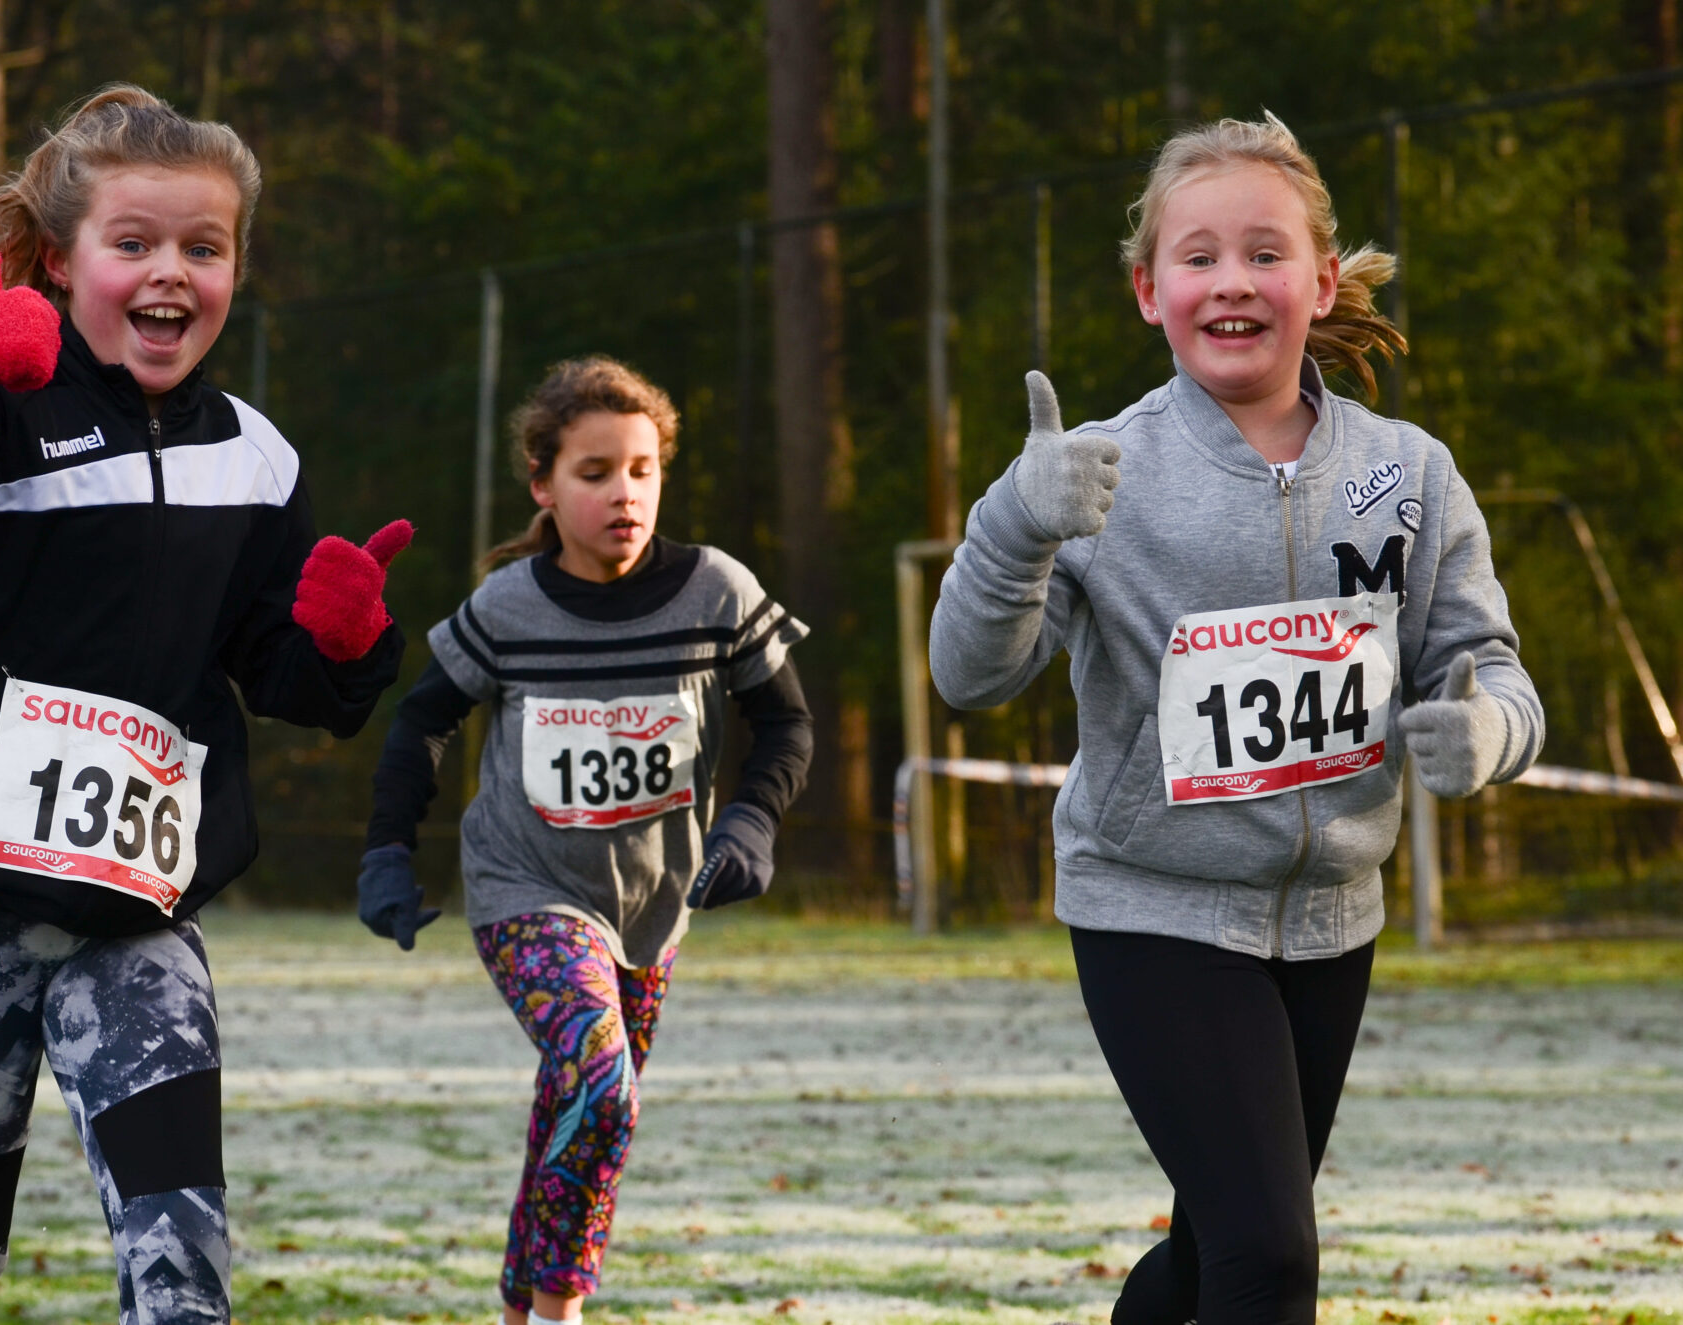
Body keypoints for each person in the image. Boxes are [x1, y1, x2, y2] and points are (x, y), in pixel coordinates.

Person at [0, 84, 408, 1325]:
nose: (170, 272)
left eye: (204, 248)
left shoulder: (256, 457)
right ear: (60, 262)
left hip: (135, 913)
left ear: (234, 267)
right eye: (134, 244)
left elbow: (284, 678)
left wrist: (343, 647)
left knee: (185, 1269)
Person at [930, 113, 1543, 1325]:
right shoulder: (1094, 470)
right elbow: (969, 674)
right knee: (1270, 1255)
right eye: (1197, 256)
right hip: (1147, 902)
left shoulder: (1407, 472)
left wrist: (1485, 735)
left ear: (1320, 281)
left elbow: (1490, 668)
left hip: (1330, 921)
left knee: (1216, 1251)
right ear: (1146, 291)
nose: (1231, 282)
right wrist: (1014, 519)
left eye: (1263, 254)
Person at [359, 356, 813, 1325]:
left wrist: (750, 820)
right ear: (543, 483)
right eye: (595, 471)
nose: (623, 493)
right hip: (525, 888)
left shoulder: (715, 591)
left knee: (575, 1103)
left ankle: (522, 1306)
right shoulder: (506, 608)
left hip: (652, 909)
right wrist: (386, 851)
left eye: (642, 469)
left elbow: (786, 725)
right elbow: (419, 722)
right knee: (600, 1084)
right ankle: (562, 1308)